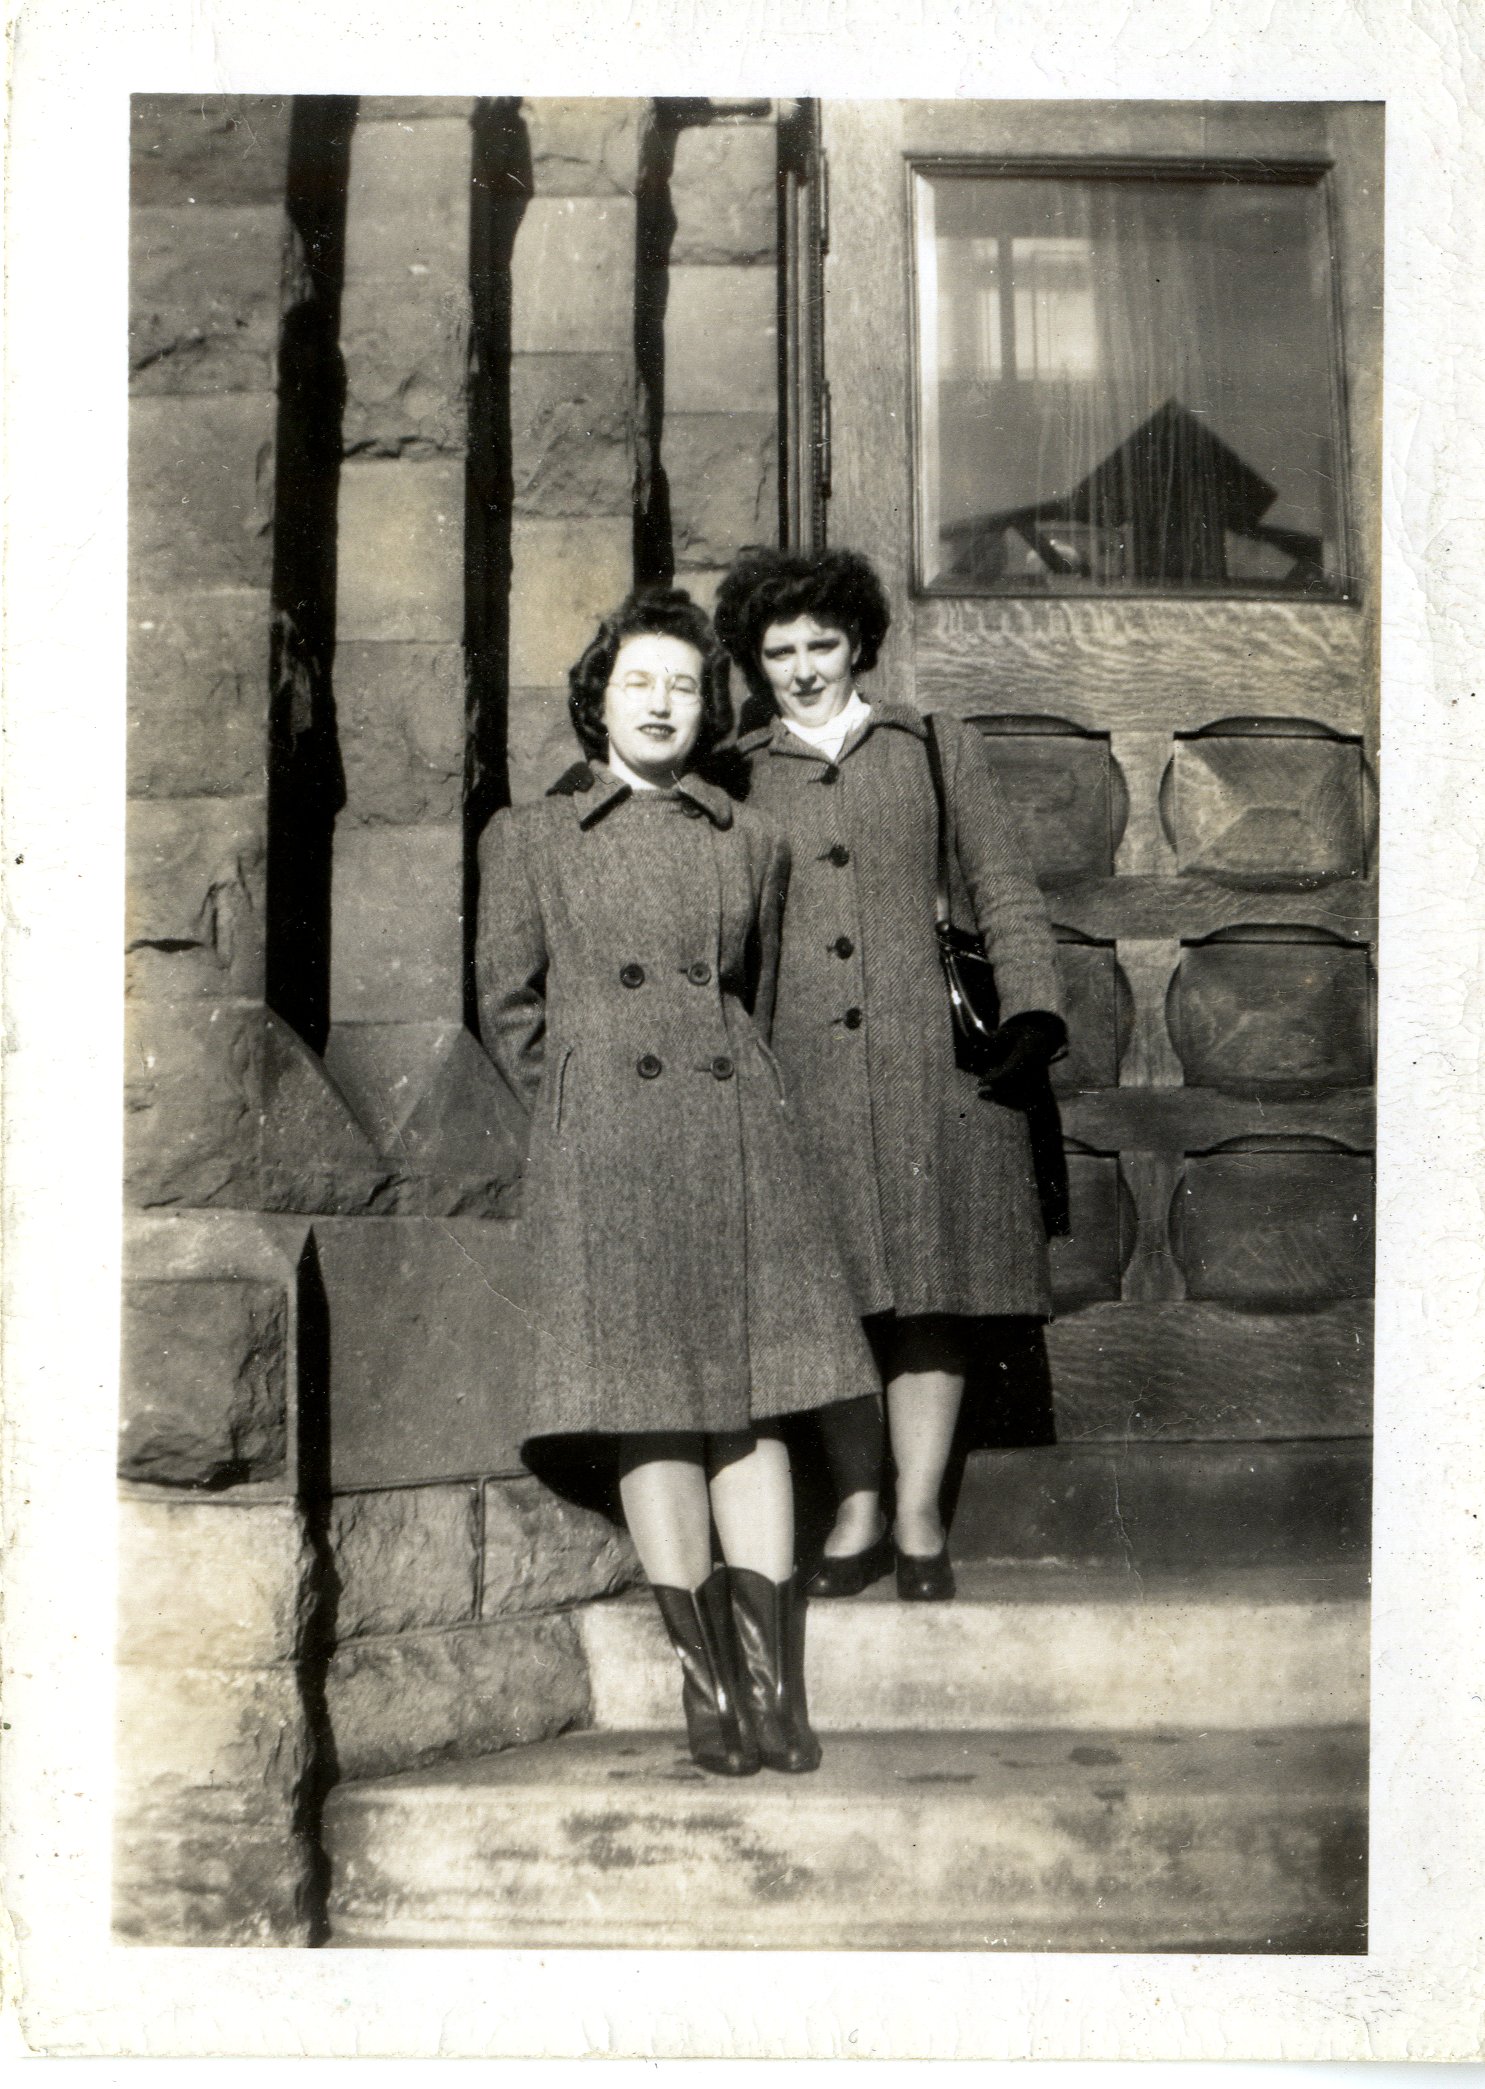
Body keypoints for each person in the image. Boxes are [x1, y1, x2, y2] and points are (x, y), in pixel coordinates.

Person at [474, 588, 878, 1776]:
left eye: (687, 686)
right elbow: (509, 1006)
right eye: (639, 682)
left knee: (750, 1398)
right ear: (598, 699)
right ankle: (707, 1694)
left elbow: (747, 995)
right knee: (654, 1397)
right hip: (610, 1137)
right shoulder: (532, 837)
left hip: (734, 1126)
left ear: (712, 713)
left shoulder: (750, 840)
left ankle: (771, 1691)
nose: (662, 704)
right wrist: (588, 1099)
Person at [714, 546, 1067, 1603]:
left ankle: (917, 1508)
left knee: (928, 1286)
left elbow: (1000, 880)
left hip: (928, 1066)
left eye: (823, 644)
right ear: (756, 662)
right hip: (798, 1067)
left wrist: (1036, 1006)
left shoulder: (930, 743)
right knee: (830, 1298)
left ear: (859, 642)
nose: (806, 668)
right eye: (781, 652)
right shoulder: (736, 771)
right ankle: (856, 1497)